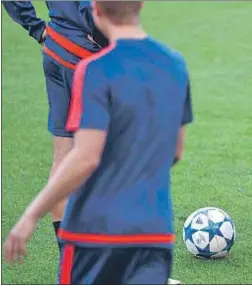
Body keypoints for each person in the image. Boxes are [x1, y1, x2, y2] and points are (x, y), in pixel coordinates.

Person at [4, 1, 193, 284]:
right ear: (140, 4)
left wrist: (31, 215)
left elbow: (86, 157)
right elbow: (175, 150)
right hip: (153, 228)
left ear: (96, 10)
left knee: (64, 153)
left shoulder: (95, 70)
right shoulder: (176, 64)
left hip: (94, 232)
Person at [2, 1, 108, 246]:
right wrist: (108, 40)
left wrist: (36, 27)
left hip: (56, 50)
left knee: (63, 157)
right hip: (87, 58)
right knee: (114, 157)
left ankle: (70, 261)